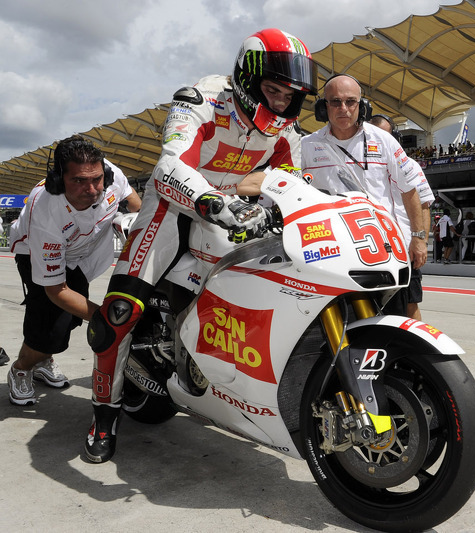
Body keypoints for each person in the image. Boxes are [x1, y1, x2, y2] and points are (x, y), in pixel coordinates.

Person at [82, 28, 318, 463]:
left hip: (232, 213)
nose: (281, 103)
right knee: (118, 315)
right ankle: (103, 416)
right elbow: (170, 163)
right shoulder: (201, 100)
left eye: (290, 96)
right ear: (246, 81)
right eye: (272, 91)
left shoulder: (288, 131)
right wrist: (210, 200)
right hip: (173, 205)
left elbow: (293, 184)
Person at [5, 135, 141, 406]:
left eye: (96, 179)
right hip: (35, 253)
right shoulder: (45, 210)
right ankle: (21, 368)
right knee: (49, 328)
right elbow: (56, 291)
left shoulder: (109, 175)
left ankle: (43, 360)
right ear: (58, 179)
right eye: (78, 180)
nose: (91, 189)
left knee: (71, 319)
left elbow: (137, 204)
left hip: (81, 253)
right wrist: (105, 319)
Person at [300, 74, 428, 315]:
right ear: (322, 107)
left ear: (363, 106)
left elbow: (410, 190)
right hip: (334, 253)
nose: (344, 109)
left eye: (351, 102)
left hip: (384, 250)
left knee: (398, 317)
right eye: (335, 102)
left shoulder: (384, 141)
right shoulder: (307, 146)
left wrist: (418, 238)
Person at [368, 113, 434, 320]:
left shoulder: (411, 166)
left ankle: (416, 349)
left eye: (385, 135)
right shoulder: (364, 166)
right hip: (372, 247)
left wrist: (421, 241)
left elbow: (424, 206)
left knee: (409, 305)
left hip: (405, 247)